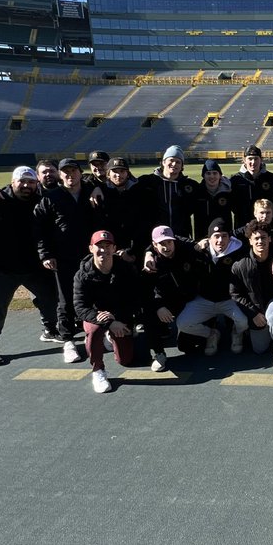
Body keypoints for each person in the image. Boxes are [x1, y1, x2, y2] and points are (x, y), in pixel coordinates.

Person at [0, 166, 58, 366]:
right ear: (12, 182)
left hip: (34, 265)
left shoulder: (42, 198)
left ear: (37, 183)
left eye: (31, 182)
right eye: (21, 181)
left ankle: (50, 329)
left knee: (50, 299)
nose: (26, 185)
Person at [33, 157, 104, 363]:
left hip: (90, 256)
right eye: (65, 172)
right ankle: (68, 340)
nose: (69, 175)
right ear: (60, 175)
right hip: (62, 258)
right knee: (65, 300)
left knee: (95, 295)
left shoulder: (91, 193)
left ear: (80, 173)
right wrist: (45, 254)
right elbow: (40, 229)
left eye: (73, 171)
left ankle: (101, 331)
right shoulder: (51, 197)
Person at [73, 229, 145, 393]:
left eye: (108, 246)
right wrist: (108, 322)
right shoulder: (82, 274)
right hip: (96, 316)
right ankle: (98, 371)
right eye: (99, 246)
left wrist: (117, 318)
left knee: (125, 360)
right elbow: (80, 307)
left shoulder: (126, 270)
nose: (103, 250)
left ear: (114, 249)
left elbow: (136, 300)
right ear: (91, 248)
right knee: (94, 330)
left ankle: (109, 339)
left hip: (120, 316)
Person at [176, 217, 250, 356]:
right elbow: (174, 239)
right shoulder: (200, 250)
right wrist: (149, 252)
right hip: (205, 300)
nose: (220, 240)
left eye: (224, 236)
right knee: (182, 323)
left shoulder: (239, 250)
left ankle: (236, 332)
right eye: (216, 236)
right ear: (209, 238)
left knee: (244, 321)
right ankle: (211, 334)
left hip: (229, 300)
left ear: (230, 238)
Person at [230, 220, 273, 375]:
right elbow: (235, 293)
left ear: (270, 239)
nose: (260, 241)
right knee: (259, 349)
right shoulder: (241, 264)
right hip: (255, 308)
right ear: (250, 241)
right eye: (256, 238)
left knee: (272, 317)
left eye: (263, 237)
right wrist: (254, 313)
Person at [141, 225, 202, 372]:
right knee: (148, 313)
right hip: (165, 303)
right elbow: (146, 292)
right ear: (154, 245)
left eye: (169, 242)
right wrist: (159, 306)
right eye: (161, 243)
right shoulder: (151, 264)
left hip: (188, 300)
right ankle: (159, 353)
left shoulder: (185, 250)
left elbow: (189, 243)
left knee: (187, 346)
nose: (167, 247)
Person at [135, 144, 202, 241]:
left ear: (182, 166)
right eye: (171, 160)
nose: (174, 164)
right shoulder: (146, 182)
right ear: (163, 162)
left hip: (181, 237)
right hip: (154, 238)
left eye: (178, 162)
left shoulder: (190, 186)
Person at [230, 145, 273, 226]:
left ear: (261, 159)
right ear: (244, 160)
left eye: (256, 159)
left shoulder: (272, 179)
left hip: (268, 227)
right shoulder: (235, 180)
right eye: (250, 159)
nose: (253, 162)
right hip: (243, 226)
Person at [199, 158, 233, 238]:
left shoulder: (228, 192)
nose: (212, 176)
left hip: (224, 237)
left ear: (220, 175)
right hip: (203, 238)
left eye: (215, 173)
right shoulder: (197, 192)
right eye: (208, 173)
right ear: (203, 176)